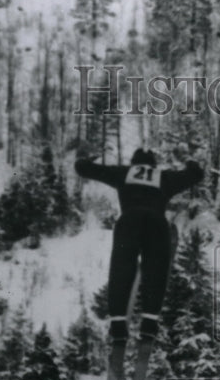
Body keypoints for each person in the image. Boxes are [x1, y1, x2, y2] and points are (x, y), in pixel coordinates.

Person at [75, 148, 204, 345]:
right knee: (156, 271)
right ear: (153, 164)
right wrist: (189, 162)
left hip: (129, 221)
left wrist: (86, 159)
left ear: (134, 163)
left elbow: (83, 169)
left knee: (121, 268)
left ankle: (118, 324)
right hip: (157, 224)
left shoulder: (124, 173)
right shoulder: (164, 177)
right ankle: (149, 322)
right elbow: (196, 175)